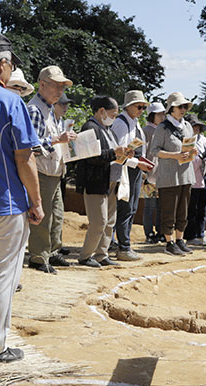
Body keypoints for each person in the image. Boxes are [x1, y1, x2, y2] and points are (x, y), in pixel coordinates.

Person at [0, 34, 44, 363]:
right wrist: (36, 202)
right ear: (1, 64)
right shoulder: (10, 102)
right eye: (10, 64)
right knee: (2, 275)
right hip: (6, 204)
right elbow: (24, 158)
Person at [26, 65, 77, 273]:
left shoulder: (49, 110)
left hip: (53, 172)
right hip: (41, 172)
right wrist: (57, 139)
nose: (60, 91)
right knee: (42, 217)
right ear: (42, 84)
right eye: (56, 86)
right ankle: (38, 257)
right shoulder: (35, 109)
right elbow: (31, 147)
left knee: (56, 215)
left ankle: (52, 252)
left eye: (62, 88)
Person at [76, 96, 131, 267]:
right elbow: (91, 156)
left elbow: (110, 153)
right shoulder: (89, 128)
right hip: (96, 182)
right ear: (101, 111)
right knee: (99, 221)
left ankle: (101, 254)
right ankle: (85, 256)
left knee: (109, 222)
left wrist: (124, 154)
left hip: (111, 181)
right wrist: (115, 153)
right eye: (113, 114)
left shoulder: (108, 129)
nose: (114, 118)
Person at [149, 92, 197, 256]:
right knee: (169, 209)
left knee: (183, 210)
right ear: (171, 109)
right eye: (180, 106)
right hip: (169, 175)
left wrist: (193, 151)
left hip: (186, 173)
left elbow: (190, 145)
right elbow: (154, 151)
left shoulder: (188, 126)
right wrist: (174, 156)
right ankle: (169, 242)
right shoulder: (163, 127)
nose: (183, 109)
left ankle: (179, 240)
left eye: (185, 106)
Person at [111, 90, 154, 261]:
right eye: (139, 106)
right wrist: (138, 163)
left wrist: (141, 163)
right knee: (125, 208)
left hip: (134, 169)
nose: (142, 110)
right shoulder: (121, 124)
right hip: (125, 170)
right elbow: (119, 153)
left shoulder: (134, 122)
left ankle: (121, 244)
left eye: (144, 107)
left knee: (131, 208)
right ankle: (123, 247)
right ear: (128, 106)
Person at [184, 114, 206, 245]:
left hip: (203, 178)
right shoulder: (186, 141)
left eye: (197, 126)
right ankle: (190, 236)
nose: (195, 129)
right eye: (193, 126)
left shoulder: (203, 140)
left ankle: (201, 234)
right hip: (191, 180)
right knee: (191, 210)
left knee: (202, 209)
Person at [142, 102, 165, 243]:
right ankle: (149, 233)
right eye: (160, 114)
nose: (163, 116)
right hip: (149, 174)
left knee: (160, 205)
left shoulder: (161, 130)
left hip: (161, 174)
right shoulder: (146, 131)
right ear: (152, 115)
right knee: (150, 205)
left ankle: (160, 232)